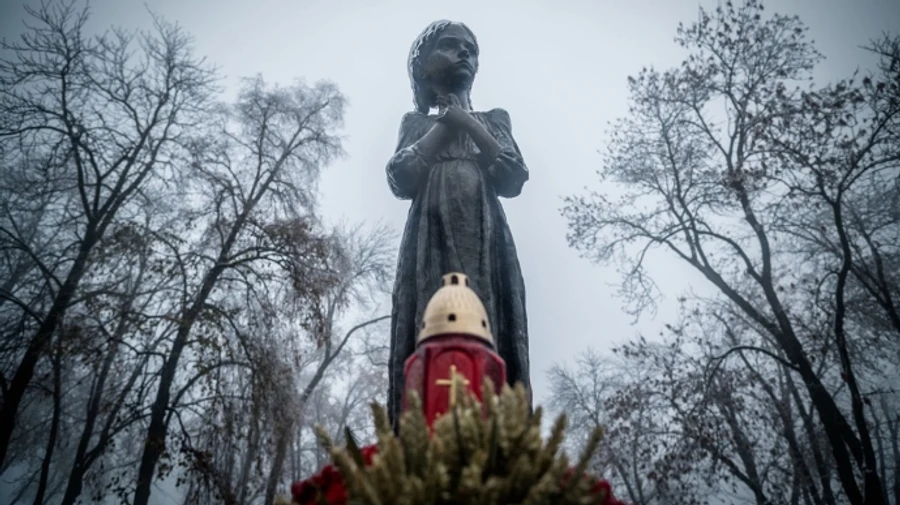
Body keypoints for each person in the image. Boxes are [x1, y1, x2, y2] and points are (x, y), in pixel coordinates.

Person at [385, 20, 531, 428]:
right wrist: (445, 122)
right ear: (423, 69)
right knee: (427, 318)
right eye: (450, 46)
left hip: (487, 237)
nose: (465, 53)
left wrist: (466, 121)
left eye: (471, 48)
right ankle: (423, 427)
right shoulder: (414, 126)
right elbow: (402, 176)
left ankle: (496, 424)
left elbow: (512, 176)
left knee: (491, 316)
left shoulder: (495, 119)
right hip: (428, 236)